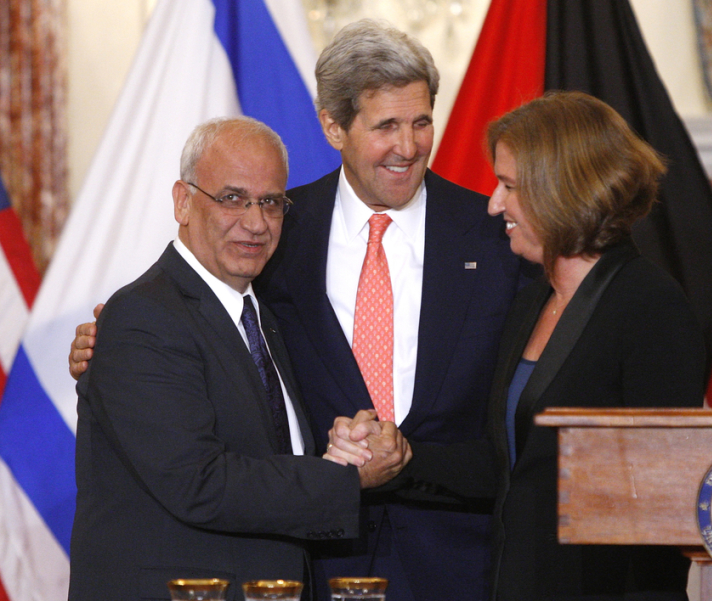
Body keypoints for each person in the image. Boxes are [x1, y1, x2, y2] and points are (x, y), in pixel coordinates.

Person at [69, 20, 523, 601]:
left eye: (420, 122)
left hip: (455, 565)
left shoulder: (498, 238)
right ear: (333, 127)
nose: (408, 147)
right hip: (303, 563)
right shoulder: (277, 234)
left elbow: (522, 407)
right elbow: (188, 341)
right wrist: (104, 345)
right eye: (385, 126)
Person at [327, 91, 705, 600]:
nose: (493, 204)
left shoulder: (648, 306)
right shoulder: (533, 300)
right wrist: (401, 455)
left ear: (562, 190)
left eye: (509, 186)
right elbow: (506, 466)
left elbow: (663, 498)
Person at [68, 116, 409, 601]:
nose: (255, 223)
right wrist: (344, 478)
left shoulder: (262, 315)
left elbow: (263, 452)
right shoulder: (144, 316)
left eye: (270, 202)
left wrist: (343, 451)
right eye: (232, 198)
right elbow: (199, 482)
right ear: (183, 202)